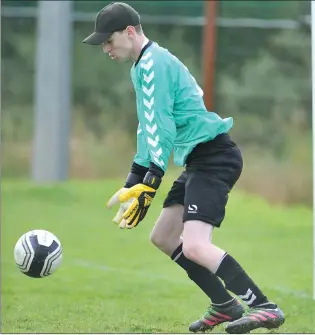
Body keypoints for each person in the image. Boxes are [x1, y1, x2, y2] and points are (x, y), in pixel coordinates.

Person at [83, 2, 285, 333]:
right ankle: (224, 305)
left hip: (214, 157)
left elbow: (161, 128)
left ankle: (264, 306)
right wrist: (135, 178)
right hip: (199, 159)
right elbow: (147, 127)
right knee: (163, 236)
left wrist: (150, 182)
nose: (105, 47)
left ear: (129, 32)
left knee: (194, 245)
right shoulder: (143, 65)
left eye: (108, 40)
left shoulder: (153, 65)